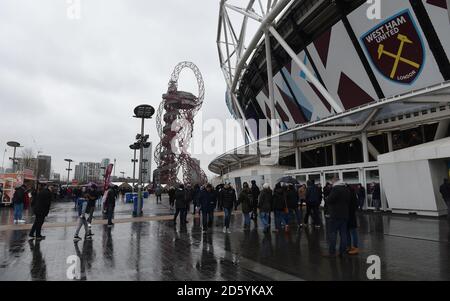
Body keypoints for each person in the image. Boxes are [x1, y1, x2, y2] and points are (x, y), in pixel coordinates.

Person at [325, 177, 351, 257]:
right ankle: (342, 252)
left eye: (332, 181)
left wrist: (327, 198)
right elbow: (348, 201)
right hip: (345, 214)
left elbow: (329, 200)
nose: (331, 183)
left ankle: (332, 252)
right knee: (343, 234)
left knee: (333, 234)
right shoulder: (346, 189)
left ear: (335, 181)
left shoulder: (336, 189)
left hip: (335, 215)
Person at [347, 184, 359, 255]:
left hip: (350, 215)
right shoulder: (353, 194)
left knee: (352, 232)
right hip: (351, 215)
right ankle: (351, 246)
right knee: (350, 231)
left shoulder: (350, 195)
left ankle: (354, 247)